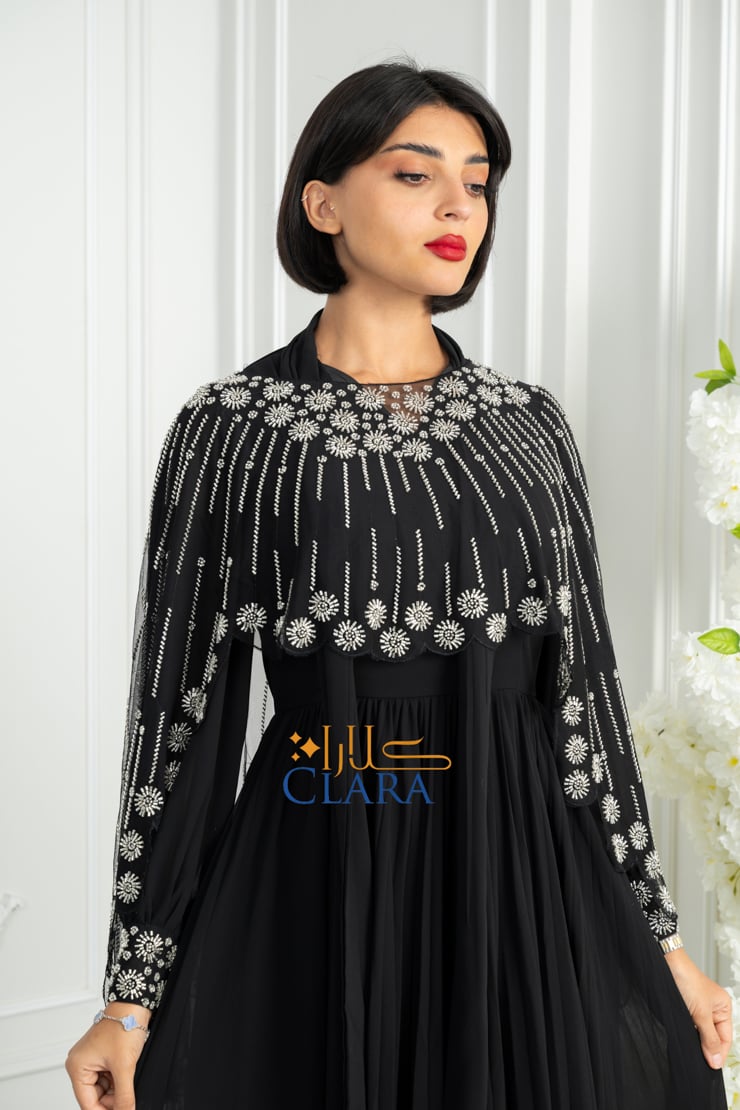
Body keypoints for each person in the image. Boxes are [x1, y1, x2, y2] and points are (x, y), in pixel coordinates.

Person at [66, 60, 732, 1109]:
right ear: (322, 203)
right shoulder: (231, 430)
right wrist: (128, 998)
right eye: (415, 175)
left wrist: (664, 943)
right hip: (325, 849)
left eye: (477, 182)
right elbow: (177, 725)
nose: (457, 205)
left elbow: (584, 698)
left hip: (526, 880)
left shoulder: (529, 424)